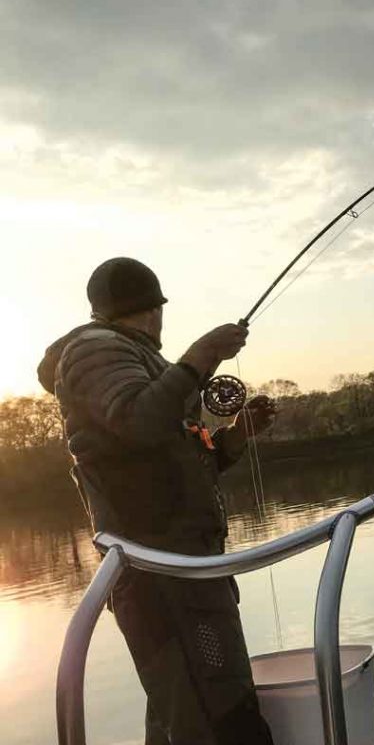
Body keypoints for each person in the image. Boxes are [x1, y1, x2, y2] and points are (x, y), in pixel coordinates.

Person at [38, 257, 277, 745]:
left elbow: (178, 462)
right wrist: (201, 357)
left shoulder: (131, 356)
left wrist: (235, 437)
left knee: (187, 713)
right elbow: (139, 421)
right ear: (153, 310)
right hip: (161, 577)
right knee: (219, 716)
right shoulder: (95, 351)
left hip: (184, 567)